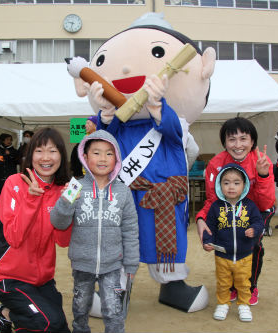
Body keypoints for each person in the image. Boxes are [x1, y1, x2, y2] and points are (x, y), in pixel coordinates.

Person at [71, 13, 216, 313]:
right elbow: (100, 149)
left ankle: (172, 286)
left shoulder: (173, 122)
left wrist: (157, 106)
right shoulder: (116, 124)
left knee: (166, 239)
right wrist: (107, 116)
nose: (125, 68)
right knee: (121, 242)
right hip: (125, 195)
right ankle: (117, 291)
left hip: (162, 195)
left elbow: (176, 137)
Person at [50, 129, 139, 333]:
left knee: (114, 309)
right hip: (82, 263)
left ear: (116, 158)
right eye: (96, 152)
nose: (103, 158)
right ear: (85, 156)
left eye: (109, 153)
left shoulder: (123, 191)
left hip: (113, 265)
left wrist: (131, 263)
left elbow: (130, 229)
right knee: (80, 306)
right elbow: (59, 222)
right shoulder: (75, 187)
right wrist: (65, 202)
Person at [0, 127, 72, 333]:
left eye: (52, 151)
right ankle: (5, 315)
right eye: (39, 151)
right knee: (46, 324)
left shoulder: (63, 189)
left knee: (59, 327)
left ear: (61, 155)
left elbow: (63, 240)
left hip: (42, 279)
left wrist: (66, 207)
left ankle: (7, 314)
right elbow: (13, 237)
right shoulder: (14, 184)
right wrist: (32, 198)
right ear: (30, 154)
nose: (46, 158)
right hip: (8, 277)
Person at [196, 117, 275, 306]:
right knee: (226, 241)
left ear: (252, 141)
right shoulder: (216, 164)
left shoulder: (262, 161)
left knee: (252, 244)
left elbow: (265, 202)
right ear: (224, 142)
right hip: (228, 208)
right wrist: (201, 218)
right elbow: (212, 200)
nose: (238, 145)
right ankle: (231, 285)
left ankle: (249, 285)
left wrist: (263, 175)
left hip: (257, 210)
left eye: (243, 139)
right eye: (232, 139)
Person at [203, 163, 264, 322]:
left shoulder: (250, 206)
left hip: (245, 255)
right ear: (219, 185)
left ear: (244, 185)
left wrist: (254, 230)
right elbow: (210, 227)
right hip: (222, 255)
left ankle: (244, 305)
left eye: (236, 183)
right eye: (226, 182)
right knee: (223, 282)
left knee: (244, 282)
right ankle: (223, 304)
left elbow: (259, 222)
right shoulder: (216, 207)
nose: (231, 187)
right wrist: (207, 241)